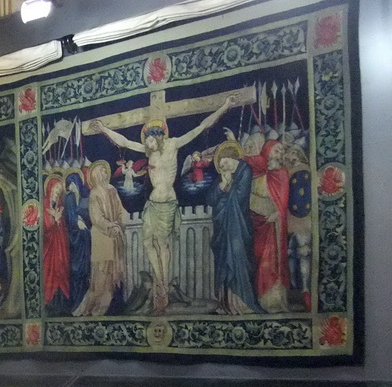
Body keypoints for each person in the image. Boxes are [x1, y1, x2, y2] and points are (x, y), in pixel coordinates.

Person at [87, 95, 236, 313]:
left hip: (167, 204)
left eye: (149, 141)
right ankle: (159, 282)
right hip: (152, 204)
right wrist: (103, 130)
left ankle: (164, 285)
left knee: (163, 245)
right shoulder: (149, 151)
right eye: (145, 143)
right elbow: (125, 142)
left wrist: (224, 106)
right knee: (148, 243)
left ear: (158, 137)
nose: (147, 146)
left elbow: (200, 127)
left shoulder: (173, 145)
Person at [204, 143, 263, 315]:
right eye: (221, 165)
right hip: (223, 229)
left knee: (238, 257)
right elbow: (210, 199)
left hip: (239, 226)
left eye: (226, 163)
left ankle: (243, 304)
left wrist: (226, 191)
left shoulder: (245, 170)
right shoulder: (224, 176)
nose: (223, 167)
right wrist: (222, 185)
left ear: (233, 158)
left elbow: (239, 197)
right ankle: (226, 304)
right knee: (223, 262)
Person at [244, 140, 291, 312]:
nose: (279, 152)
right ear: (268, 151)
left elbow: (282, 199)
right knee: (257, 258)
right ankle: (259, 299)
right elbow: (245, 160)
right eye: (276, 149)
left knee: (271, 260)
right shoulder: (257, 172)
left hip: (273, 224)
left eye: (281, 150)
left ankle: (274, 302)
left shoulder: (282, 173)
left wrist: (278, 213)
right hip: (257, 221)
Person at [74, 161, 125, 316]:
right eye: (101, 171)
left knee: (111, 273)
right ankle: (94, 306)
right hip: (101, 236)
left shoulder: (112, 190)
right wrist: (110, 226)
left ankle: (107, 305)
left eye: (105, 171)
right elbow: (96, 217)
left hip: (114, 235)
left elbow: (121, 211)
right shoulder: (95, 193)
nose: (104, 173)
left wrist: (119, 224)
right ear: (95, 175)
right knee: (100, 272)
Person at [64, 172, 92, 313]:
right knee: (75, 270)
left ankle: (85, 302)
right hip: (73, 238)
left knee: (85, 269)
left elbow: (91, 214)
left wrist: (83, 219)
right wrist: (77, 221)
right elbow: (68, 218)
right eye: (70, 184)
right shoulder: (68, 198)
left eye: (74, 183)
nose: (72, 187)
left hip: (85, 237)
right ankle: (75, 303)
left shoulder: (86, 195)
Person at [42, 175, 70, 315]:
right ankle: (50, 303)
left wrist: (59, 221)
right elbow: (45, 229)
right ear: (50, 188)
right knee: (50, 273)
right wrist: (54, 221)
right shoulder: (44, 206)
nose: (58, 191)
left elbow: (63, 228)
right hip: (49, 248)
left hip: (60, 247)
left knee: (61, 270)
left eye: (60, 189)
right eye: (56, 188)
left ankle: (62, 304)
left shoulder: (59, 206)